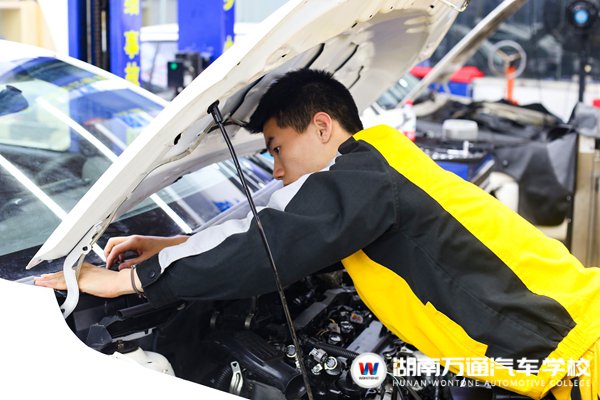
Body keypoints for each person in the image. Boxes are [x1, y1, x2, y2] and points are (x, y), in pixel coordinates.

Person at [35, 69, 599, 400]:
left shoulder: (366, 178)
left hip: (578, 360)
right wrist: (173, 245)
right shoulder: (379, 168)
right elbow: (268, 217)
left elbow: (273, 243)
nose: (277, 168)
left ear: (323, 127)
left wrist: (130, 281)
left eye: (278, 149)